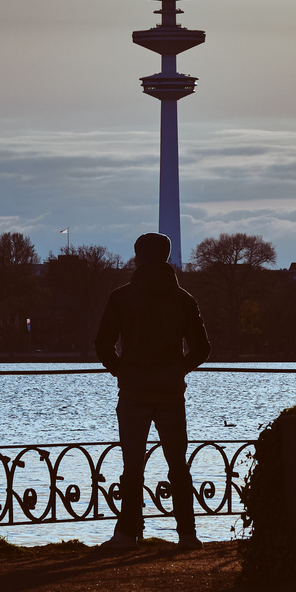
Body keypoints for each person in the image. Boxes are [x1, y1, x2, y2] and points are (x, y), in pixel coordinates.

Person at [94, 232, 212, 550]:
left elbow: (102, 344)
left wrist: (122, 370)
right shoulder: (184, 300)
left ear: (138, 257)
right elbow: (203, 348)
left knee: (132, 468)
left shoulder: (122, 298)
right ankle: (187, 534)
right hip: (171, 393)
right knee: (178, 465)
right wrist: (179, 369)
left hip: (134, 392)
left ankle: (126, 535)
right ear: (168, 257)